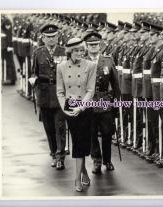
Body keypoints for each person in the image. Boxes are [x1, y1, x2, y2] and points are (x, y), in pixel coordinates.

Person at [56, 37, 97, 192]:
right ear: (70, 52)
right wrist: (64, 108)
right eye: (77, 50)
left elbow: (90, 90)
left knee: (81, 143)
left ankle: (78, 177)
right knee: (77, 141)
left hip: (85, 108)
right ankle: (81, 175)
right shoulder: (61, 67)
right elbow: (60, 91)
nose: (80, 53)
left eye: (82, 50)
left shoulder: (91, 65)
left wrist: (82, 107)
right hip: (69, 108)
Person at [30, 24, 67, 170]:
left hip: (60, 94)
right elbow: (34, 72)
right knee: (49, 127)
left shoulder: (64, 52)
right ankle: (53, 152)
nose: (51, 40)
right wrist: (33, 80)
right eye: (48, 37)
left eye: (54, 36)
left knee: (60, 127)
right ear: (43, 38)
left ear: (58, 37)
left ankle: (60, 157)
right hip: (44, 94)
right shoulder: (38, 53)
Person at [83, 32, 120, 174]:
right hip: (89, 101)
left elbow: (115, 85)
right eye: (91, 45)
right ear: (86, 47)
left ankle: (108, 160)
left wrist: (116, 103)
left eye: (96, 45)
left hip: (105, 101)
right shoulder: (82, 61)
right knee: (92, 133)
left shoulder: (108, 61)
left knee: (107, 132)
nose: (93, 47)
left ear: (100, 45)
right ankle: (96, 160)